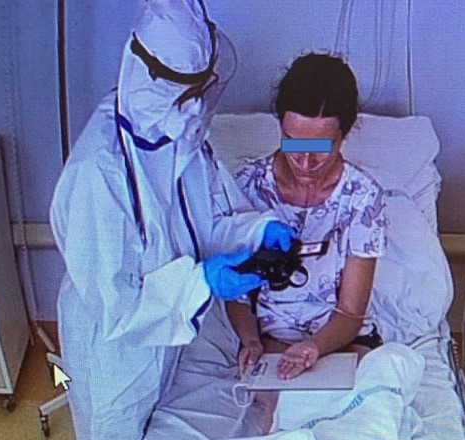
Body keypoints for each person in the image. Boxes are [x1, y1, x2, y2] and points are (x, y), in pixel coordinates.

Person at [49, 1, 294, 438]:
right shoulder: (98, 172)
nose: (195, 105)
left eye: (199, 90)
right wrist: (204, 282)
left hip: (172, 339)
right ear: (151, 77)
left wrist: (258, 230)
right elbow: (117, 307)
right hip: (116, 356)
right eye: (187, 92)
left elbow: (212, 220)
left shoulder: (178, 141)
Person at [229, 53, 387, 385]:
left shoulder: (362, 198)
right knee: (279, 412)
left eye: (320, 147)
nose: (305, 161)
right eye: (294, 143)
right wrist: (250, 339)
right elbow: (236, 291)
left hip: (341, 337)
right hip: (273, 337)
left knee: (364, 408)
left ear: (343, 136)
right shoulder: (248, 187)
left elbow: (350, 312)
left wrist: (314, 347)